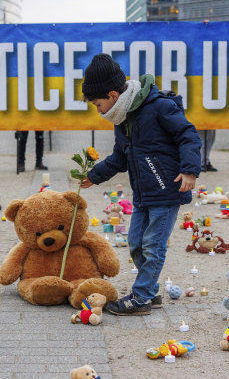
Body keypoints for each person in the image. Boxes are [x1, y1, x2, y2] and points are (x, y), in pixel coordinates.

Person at [79, 54, 201, 316]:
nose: (99, 111)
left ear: (112, 95)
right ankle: (150, 290)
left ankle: (142, 297)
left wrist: (190, 171)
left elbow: (188, 135)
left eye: (98, 104)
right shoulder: (122, 120)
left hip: (168, 190)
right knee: (135, 242)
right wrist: (95, 175)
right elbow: (119, 157)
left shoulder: (159, 107)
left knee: (152, 245)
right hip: (144, 193)